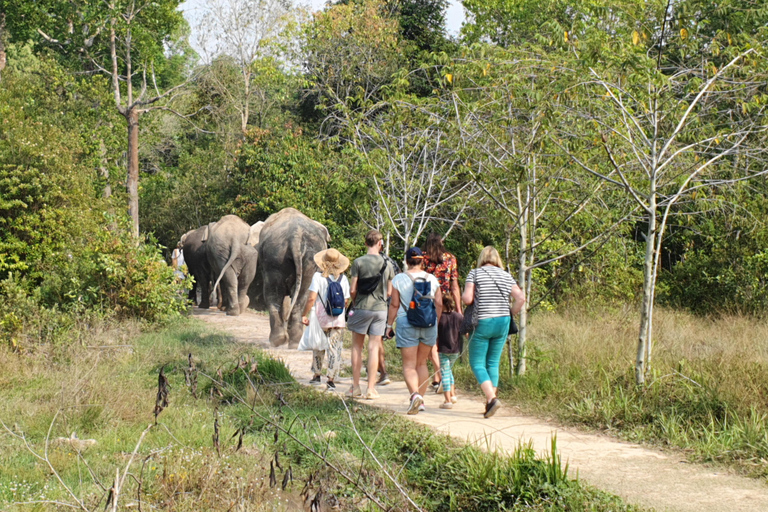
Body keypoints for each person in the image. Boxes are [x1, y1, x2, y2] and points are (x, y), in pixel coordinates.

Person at [461, 246, 525, 418]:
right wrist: (511, 312)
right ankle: (490, 403)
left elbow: (467, 299)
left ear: (482, 258)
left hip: (483, 320)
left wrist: (463, 296)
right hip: (503, 321)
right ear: (497, 259)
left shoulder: (474, 273)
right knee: (493, 362)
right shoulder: (506, 275)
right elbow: (521, 297)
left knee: (476, 362)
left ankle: (491, 397)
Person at [386, 247, 443, 415]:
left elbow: (395, 305)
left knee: (409, 365)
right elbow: (439, 303)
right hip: (428, 324)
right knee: (421, 363)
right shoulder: (432, 279)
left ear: (406, 261)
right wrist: (436, 322)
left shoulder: (399, 279)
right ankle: (421, 400)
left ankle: (415, 395)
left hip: (406, 322)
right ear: (422, 260)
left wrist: (389, 326)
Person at [347, 230, 395, 399]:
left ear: (366, 243)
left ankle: (355, 387)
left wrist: (355, 302)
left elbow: (353, 289)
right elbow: (389, 292)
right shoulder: (388, 264)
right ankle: (371, 388)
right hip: (380, 309)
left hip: (361, 307)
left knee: (357, 347)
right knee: (374, 347)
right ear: (380, 244)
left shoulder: (358, 262)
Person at [301, 249, 351, 391]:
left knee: (318, 346)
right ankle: (331, 380)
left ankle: (317, 375)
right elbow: (346, 300)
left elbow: (311, 298)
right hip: (337, 319)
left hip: (320, 318)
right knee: (335, 349)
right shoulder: (343, 278)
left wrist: (304, 314)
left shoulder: (318, 277)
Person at [423, 233, 462, 392]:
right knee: (442, 339)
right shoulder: (450, 258)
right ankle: (441, 378)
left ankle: (438, 376)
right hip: (446, 303)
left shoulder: (424, 259)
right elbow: (454, 285)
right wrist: (458, 309)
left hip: (427, 302)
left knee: (430, 339)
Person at [437, 295, 463, 409]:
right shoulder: (459, 316)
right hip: (456, 350)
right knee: (448, 371)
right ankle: (452, 395)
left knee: (445, 374)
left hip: (443, 350)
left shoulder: (439, 318)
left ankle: (447, 401)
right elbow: (464, 331)